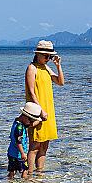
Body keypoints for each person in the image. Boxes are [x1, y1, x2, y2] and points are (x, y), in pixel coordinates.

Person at [25, 40, 65, 172]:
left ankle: (40, 174)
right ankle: (30, 174)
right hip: (37, 111)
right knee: (35, 145)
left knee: (44, 146)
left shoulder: (46, 68)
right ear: (38, 54)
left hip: (48, 111)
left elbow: (60, 82)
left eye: (50, 56)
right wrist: (40, 111)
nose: (48, 59)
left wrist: (58, 66)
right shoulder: (32, 68)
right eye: (46, 56)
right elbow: (31, 92)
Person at [7, 102, 42, 178]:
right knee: (25, 170)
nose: (31, 123)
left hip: (11, 153)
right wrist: (22, 153)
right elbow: (18, 141)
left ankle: (8, 182)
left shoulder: (17, 122)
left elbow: (28, 125)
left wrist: (39, 121)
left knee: (12, 171)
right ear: (26, 118)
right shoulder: (19, 128)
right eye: (32, 121)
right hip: (19, 154)